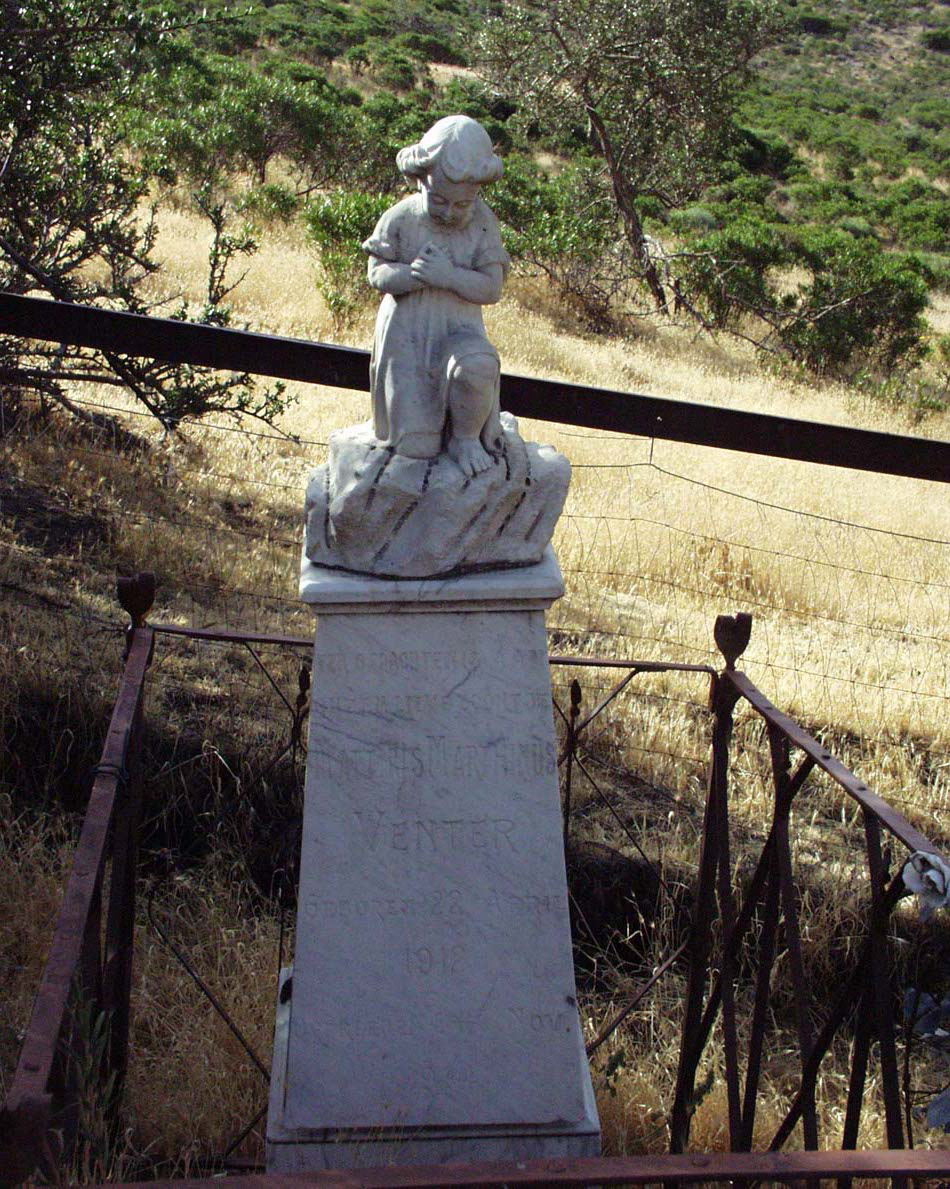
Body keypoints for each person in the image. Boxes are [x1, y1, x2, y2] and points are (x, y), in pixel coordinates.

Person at [362, 116, 511, 478]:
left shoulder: (483, 223)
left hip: (459, 331)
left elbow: (491, 288)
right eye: (439, 200)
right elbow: (377, 272)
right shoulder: (402, 218)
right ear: (420, 180)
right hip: (407, 338)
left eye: (462, 205)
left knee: (476, 368)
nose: (448, 213)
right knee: (415, 448)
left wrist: (449, 276)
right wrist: (416, 275)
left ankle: (465, 439)